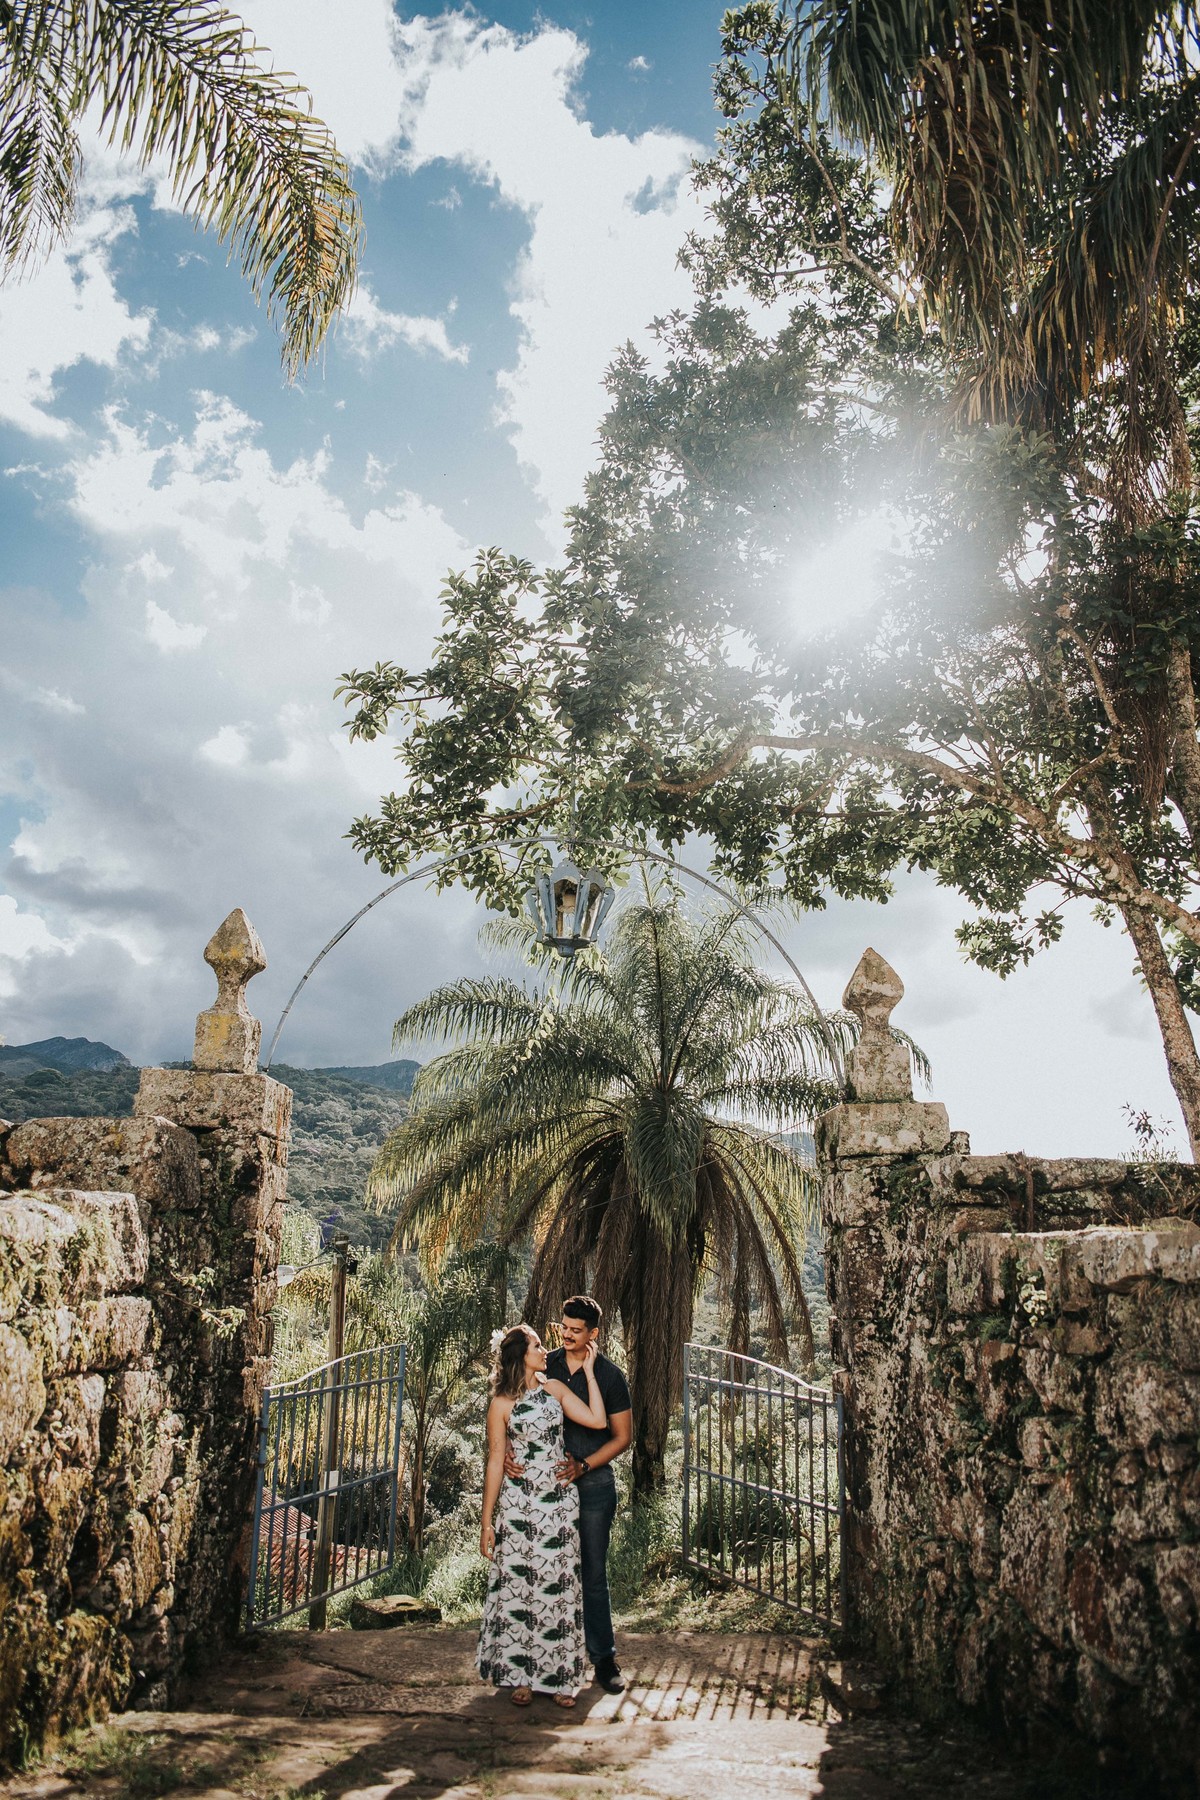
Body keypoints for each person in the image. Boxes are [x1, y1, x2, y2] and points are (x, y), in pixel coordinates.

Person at [506, 1295, 632, 1695]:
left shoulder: (611, 1376)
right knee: (546, 1574)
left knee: (592, 1572)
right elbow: (512, 1406)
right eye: (564, 1327)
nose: (568, 1335)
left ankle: (603, 1659)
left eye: (577, 1330)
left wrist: (586, 1465)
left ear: (594, 1333)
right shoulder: (547, 1365)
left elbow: (622, 1437)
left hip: (593, 1486)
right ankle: (542, 1663)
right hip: (547, 1489)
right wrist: (509, 1452)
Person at [477, 1323, 608, 1708]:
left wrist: (588, 1371)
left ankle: (561, 1678)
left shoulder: (554, 1389)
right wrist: (487, 1522)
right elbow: (496, 1460)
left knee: (558, 1588)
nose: (545, 1350)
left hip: (557, 1503)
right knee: (520, 1589)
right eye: (537, 1346)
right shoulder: (501, 1404)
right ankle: (522, 1677)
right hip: (518, 1506)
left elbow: (598, 1421)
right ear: (521, 1355)